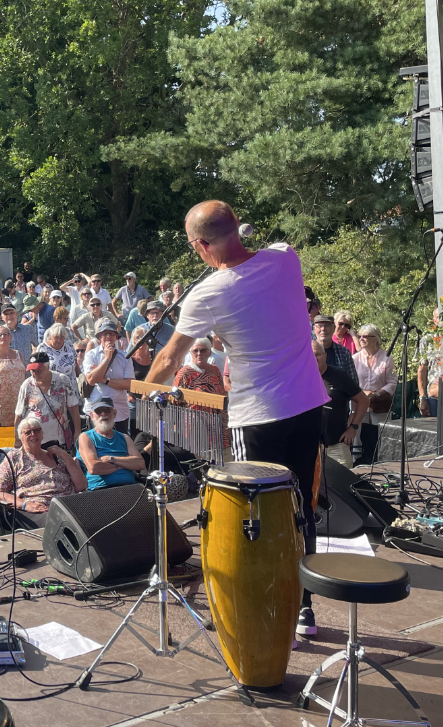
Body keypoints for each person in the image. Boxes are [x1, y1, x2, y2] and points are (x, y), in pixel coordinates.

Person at [147, 200, 327, 639]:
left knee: (258, 516)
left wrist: (143, 393)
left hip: (258, 414)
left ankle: (265, 607)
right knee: (301, 505)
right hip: (307, 404)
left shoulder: (208, 293)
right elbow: (261, 257)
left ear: (200, 245)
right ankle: (304, 607)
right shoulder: (286, 258)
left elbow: (171, 357)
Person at [0, 416, 86, 526]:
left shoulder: (57, 456)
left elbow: (81, 486)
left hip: (67, 506)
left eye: (37, 430)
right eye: (28, 432)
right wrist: (24, 504)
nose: (33, 434)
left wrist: (66, 456)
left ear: (42, 434)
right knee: (58, 522)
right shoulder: (13, 459)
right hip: (37, 510)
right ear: (20, 437)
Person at [313, 340, 368, 469]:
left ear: (325, 356)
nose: (314, 358)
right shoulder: (300, 377)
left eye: (317, 354)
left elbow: (363, 401)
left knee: (343, 485)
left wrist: (353, 427)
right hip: (309, 447)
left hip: (337, 444)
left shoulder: (339, 376)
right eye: (310, 355)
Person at [14, 351, 81, 451]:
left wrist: (77, 432)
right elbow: (19, 414)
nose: (35, 374)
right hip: (34, 440)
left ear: (48, 367)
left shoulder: (63, 380)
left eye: (38, 370)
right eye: (32, 371)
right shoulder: (27, 385)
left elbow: (73, 408)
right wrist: (17, 439)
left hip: (58, 439)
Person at [352, 324, 398, 466]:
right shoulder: (355, 358)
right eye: (360, 336)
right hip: (359, 403)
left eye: (365, 336)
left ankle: (380, 464)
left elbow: (392, 382)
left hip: (380, 404)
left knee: (380, 436)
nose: (361, 339)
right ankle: (358, 465)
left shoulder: (387, 358)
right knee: (358, 435)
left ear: (375, 339)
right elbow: (351, 381)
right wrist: (364, 394)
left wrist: (376, 394)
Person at [77, 397, 146, 490]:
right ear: (92, 415)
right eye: (98, 411)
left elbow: (140, 463)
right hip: (101, 489)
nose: (103, 414)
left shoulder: (125, 438)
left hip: (129, 488)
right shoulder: (86, 437)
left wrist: (111, 459)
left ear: (114, 413)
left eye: (107, 410)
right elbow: (94, 468)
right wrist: (124, 464)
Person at [83, 319, 135, 432]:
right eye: (105, 334)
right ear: (100, 337)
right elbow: (91, 380)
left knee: (119, 446)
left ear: (116, 336)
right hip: (96, 411)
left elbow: (129, 384)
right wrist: (107, 359)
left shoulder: (125, 357)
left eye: (112, 333)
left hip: (119, 412)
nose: (108, 337)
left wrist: (103, 379)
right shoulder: (91, 355)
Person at [0, 325, 24, 427]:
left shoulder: (18, 354)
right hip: (2, 402)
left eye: (6, 334)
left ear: (11, 337)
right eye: (0, 335)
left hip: (19, 400)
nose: (3, 337)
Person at [312, 315, 359, 385]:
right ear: (314, 329)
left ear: (334, 328)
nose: (323, 329)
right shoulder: (307, 352)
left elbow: (354, 382)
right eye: (319, 326)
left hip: (338, 394)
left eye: (327, 326)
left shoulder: (344, 352)